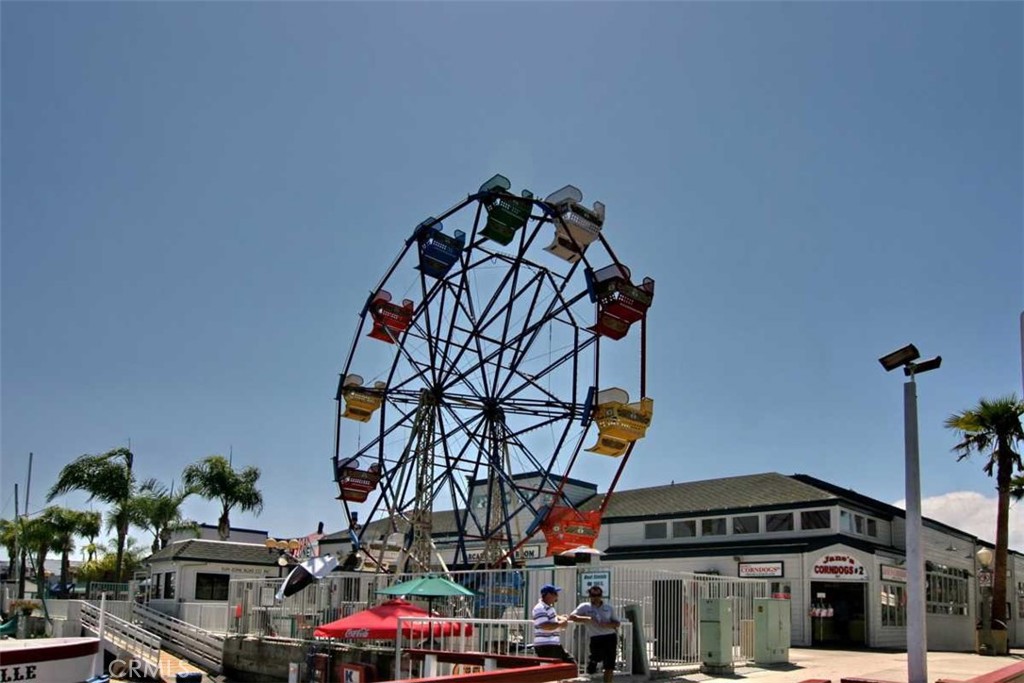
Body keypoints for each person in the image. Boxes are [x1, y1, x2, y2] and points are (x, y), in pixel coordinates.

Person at [570, 585, 620, 682]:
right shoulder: (584, 606)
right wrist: (587, 618)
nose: (596, 597)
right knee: (596, 657)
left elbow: (617, 623)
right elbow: (572, 617)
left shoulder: (609, 607)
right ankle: (592, 663)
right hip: (596, 637)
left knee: (609, 665)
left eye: (598, 595)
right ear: (590, 596)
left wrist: (607, 624)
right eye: (593, 595)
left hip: (610, 636)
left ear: (601, 596)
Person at [532, 583, 576, 665]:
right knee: (556, 671)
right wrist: (561, 623)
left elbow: (552, 618)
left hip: (553, 644)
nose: (557, 596)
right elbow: (545, 626)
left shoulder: (549, 608)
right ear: (548, 594)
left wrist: (560, 618)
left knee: (570, 665)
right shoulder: (540, 608)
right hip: (546, 646)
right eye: (555, 593)